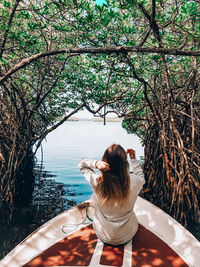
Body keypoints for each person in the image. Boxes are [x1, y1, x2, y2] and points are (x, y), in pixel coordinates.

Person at [78, 144, 145, 245]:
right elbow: (140, 175)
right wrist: (133, 159)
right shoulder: (136, 181)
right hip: (127, 235)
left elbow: (81, 165)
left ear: (105, 162)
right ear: (125, 164)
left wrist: (96, 163)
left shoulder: (97, 181)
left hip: (103, 234)